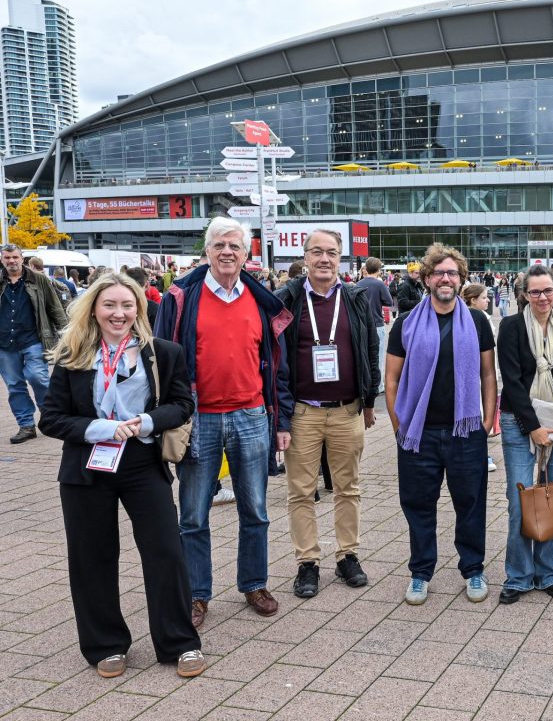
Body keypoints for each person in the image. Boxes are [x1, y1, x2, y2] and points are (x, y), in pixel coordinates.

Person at [38, 272, 205, 679]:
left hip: (141, 461)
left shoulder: (163, 352)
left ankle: (179, 642)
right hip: (87, 464)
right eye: (110, 305)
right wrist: (101, 429)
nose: (119, 313)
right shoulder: (72, 355)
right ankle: (106, 645)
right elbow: (53, 419)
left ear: (139, 309)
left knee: (165, 549)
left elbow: (182, 403)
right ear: (94, 308)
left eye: (127, 305)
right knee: (91, 556)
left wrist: (147, 421)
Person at [155, 218, 294, 630]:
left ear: (246, 252)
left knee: (256, 509)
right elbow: (162, 362)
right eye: (219, 245)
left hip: (252, 416)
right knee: (193, 514)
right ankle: (197, 594)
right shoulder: (181, 297)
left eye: (235, 245)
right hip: (199, 418)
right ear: (207, 251)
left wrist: (280, 419)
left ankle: (254, 583)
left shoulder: (261, 298)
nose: (227, 252)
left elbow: (278, 368)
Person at [386, 244, 496, 606]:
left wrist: (487, 419)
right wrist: (399, 425)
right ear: (427, 278)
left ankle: (473, 568)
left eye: (452, 273)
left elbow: (487, 375)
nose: (445, 279)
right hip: (420, 433)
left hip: (465, 432)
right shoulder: (405, 323)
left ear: (461, 279)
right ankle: (420, 573)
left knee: (471, 502)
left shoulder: (478, 321)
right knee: (418, 504)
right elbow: (392, 380)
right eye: (438, 273)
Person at [276, 230, 380, 599]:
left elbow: (370, 348)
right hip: (303, 412)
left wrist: (368, 402)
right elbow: (274, 361)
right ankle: (308, 562)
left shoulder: (355, 298)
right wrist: (281, 418)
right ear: (304, 257)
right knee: (301, 491)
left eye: (331, 252)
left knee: (348, 488)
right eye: (316, 252)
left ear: (341, 258)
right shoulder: (286, 300)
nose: (324, 258)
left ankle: (347, 555)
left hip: (347, 410)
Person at [496, 264, 553, 603]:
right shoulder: (511, 327)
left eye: (548, 291)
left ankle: (547, 573)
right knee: (520, 502)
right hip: (520, 422)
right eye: (535, 292)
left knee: (551, 499)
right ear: (524, 295)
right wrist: (534, 427)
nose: (542, 297)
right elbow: (512, 382)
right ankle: (518, 576)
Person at [1, 243, 68, 444]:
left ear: (22, 258)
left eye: (15, 257)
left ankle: (50, 419)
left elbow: (54, 307)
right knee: (14, 386)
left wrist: (67, 334)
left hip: (34, 339)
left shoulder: (38, 279)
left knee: (38, 377)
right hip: (4, 343)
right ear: (2, 259)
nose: (11, 261)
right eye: (7, 258)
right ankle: (26, 425)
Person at [461, 283, 498, 471]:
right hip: (473, 377)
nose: (488, 300)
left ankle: (480, 452)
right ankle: (481, 454)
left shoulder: (483, 317)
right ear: (473, 300)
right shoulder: (470, 318)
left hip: (484, 371)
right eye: (484, 297)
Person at [358, 257, 394, 393]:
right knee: (377, 356)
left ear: (366, 269)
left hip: (362, 324)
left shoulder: (359, 284)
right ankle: (378, 386)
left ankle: (364, 383)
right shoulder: (379, 284)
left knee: (363, 354)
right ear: (378, 270)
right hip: (377, 323)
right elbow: (389, 302)